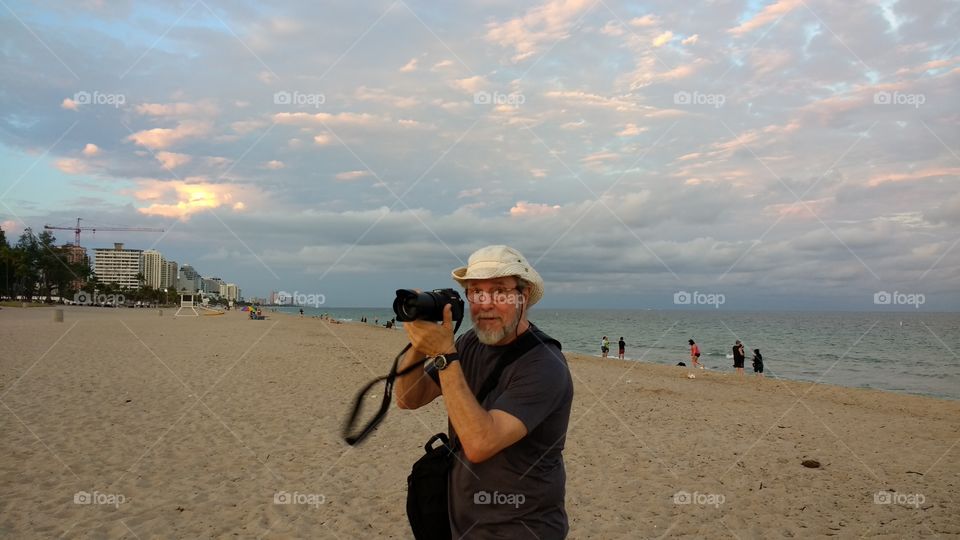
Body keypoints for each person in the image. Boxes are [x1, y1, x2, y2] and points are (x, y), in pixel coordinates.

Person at [396, 245, 573, 538]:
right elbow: (408, 398)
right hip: (461, 525)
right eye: (476, 292)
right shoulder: (468, 344)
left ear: (523, 296)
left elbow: (480, 444)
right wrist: (420, 342)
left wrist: (444, 355)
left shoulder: (544, 364)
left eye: (499, 291)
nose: (486, 303)